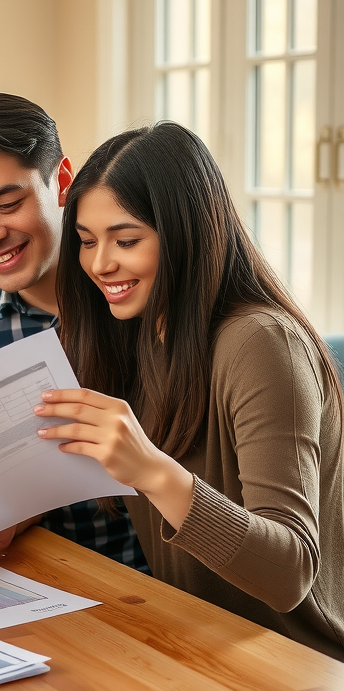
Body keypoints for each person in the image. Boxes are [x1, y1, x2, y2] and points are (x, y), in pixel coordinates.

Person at [35, 122, 344, 660]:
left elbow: (291, 569)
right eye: (86, 242)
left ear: (185, 236)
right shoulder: (131, 338)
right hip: (200, 640)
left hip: (300, 665)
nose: (100, 263)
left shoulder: (260, 342)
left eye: (126, 240)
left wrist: (152, 470)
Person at [0, 94, 148, 569]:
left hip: (154, 582)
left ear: (62, 181)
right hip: (31, 574)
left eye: (7, 204)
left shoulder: (138, 297)